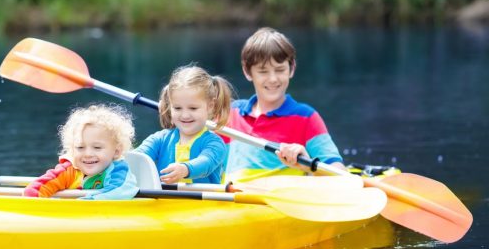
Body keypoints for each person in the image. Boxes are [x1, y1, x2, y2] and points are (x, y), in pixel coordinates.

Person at [224, 27, 345, 179]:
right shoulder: (230, 114)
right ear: (248, 72)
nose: (273, 79)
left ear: (291, 69)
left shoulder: (306, 117)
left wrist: (307, 165)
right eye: (263, 71)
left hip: (283, 199)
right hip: (234, 198)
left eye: (280, 70)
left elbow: (340, 174)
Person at [135, 65, 233, 184]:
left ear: (210, 105)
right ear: (170, 106)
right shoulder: (160, 139)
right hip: (165, 201)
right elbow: (138, 156)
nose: (185, 115)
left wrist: (185, 169)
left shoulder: (215, 143)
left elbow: (206, 162)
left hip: (204, 202)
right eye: (177, 108)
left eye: (193, 108)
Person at [23, 104, 139, 200]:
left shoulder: (118, 171)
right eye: (80, 147)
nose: (88, 154)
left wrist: (83, 203)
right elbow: (37, 188)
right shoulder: (69, 170)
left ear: (116, 152)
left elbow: (118, 191)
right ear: (72, 150)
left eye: (97, 148)